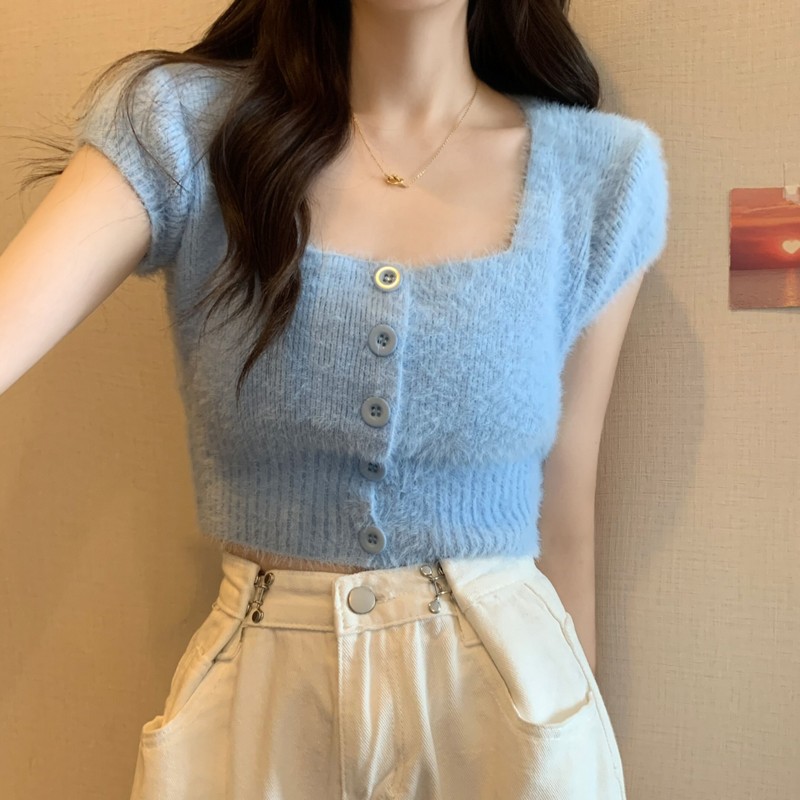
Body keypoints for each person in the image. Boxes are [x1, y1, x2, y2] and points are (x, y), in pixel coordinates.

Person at [1, 0, 669, 797]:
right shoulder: (185, 129)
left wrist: (568, 747)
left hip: (507, 704)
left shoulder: (602, 177)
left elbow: (564, 514)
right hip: (263, 713)